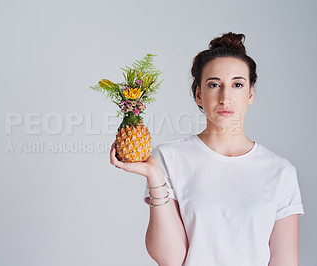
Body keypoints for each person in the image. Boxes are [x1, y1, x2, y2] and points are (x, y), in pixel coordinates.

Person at [110, 32, 305, 266]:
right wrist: (154, 177)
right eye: (214, 85)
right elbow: (170, 259)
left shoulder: (281, 172)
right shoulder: (168, 159)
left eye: (237, 84)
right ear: (199, 95)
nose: (225, 97)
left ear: (250, 94)